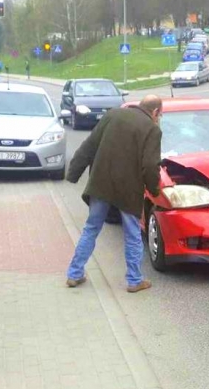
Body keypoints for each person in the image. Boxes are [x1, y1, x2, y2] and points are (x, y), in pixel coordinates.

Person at [65, 96, 163, 293]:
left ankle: (74, 274)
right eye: (160, 115)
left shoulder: (112, 114)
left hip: (101, 184)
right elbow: (151, 166)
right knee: (133, 234)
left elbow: (89, 146)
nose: (159, 118)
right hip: (128, 190)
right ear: (154, 112)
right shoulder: (152, 129)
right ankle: (134, 280)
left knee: (91, 228)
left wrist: (73, 173)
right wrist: (155, 190)